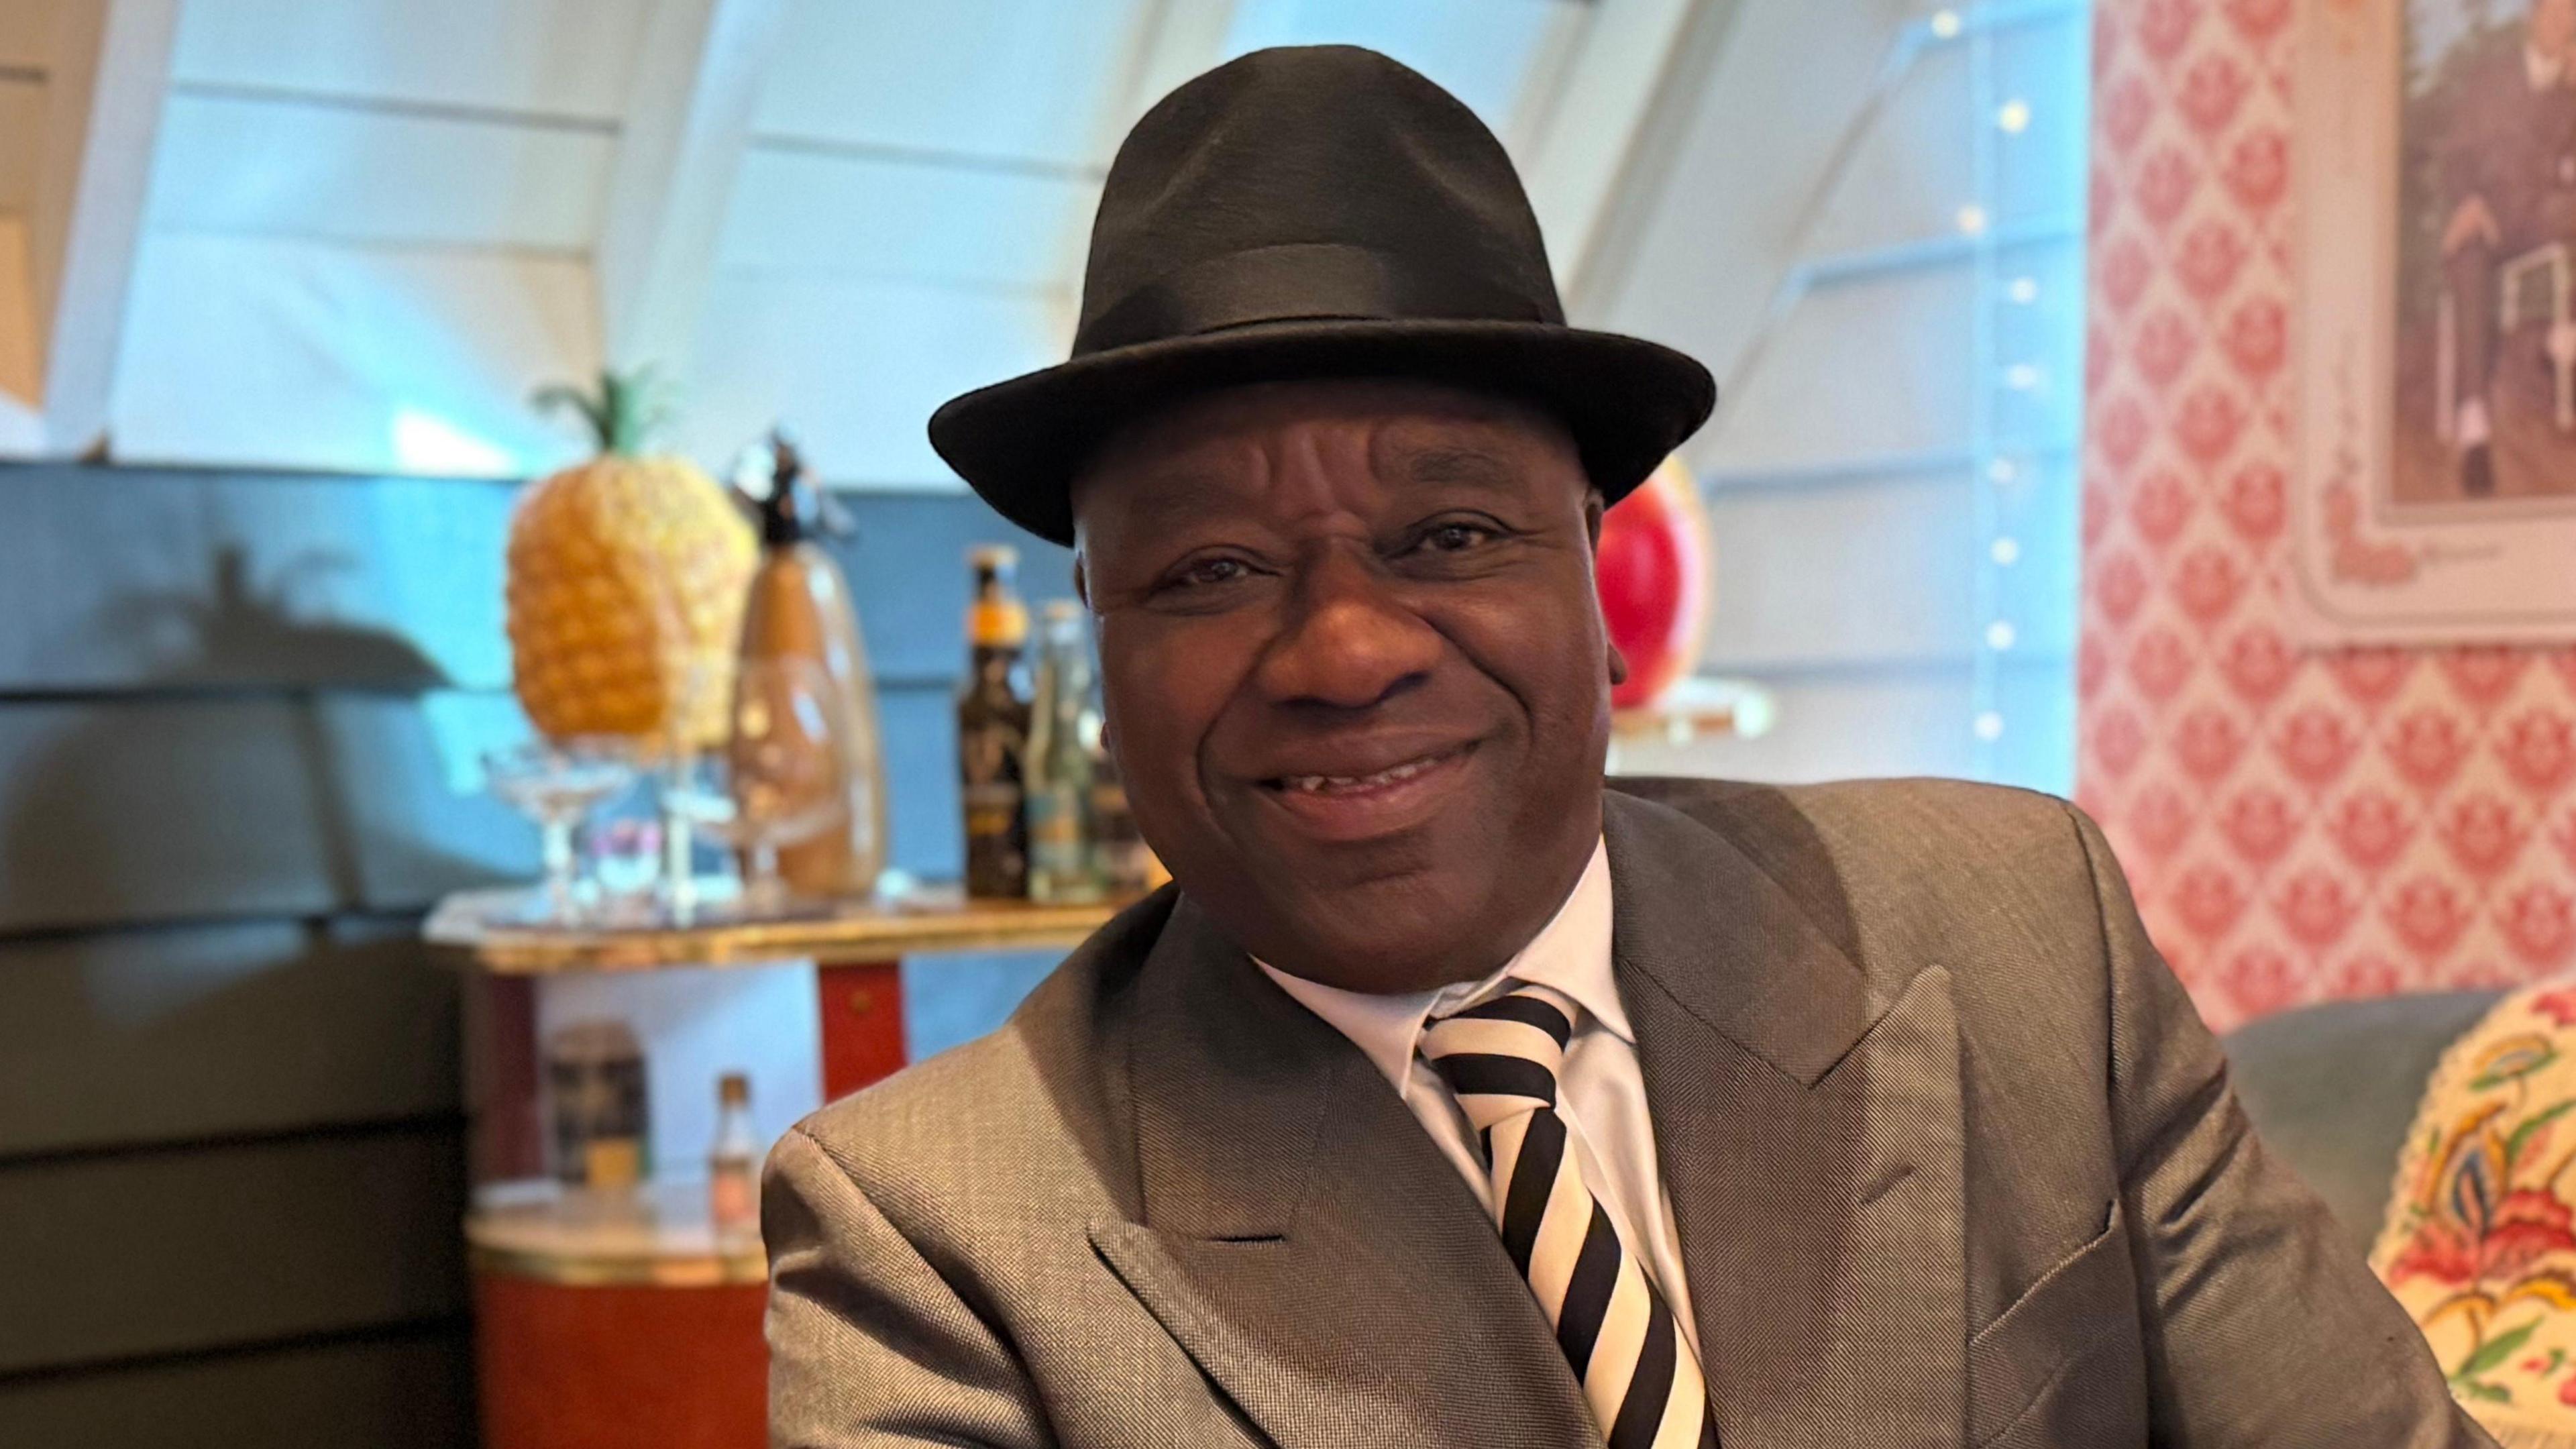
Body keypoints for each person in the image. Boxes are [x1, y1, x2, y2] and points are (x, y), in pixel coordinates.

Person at [765, 45, 2494, 1448]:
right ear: (1100, 641)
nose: (1346, 651)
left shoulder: (2016, 934)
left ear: (1596, 582)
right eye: (1211, 570)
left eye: (1450, 534)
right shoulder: (934, 1243)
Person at [2438, 0, 2576, 498]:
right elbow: (2455, 156)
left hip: (2542, 217)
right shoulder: (2491, 78)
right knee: (2469, 252)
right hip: (2488, 214)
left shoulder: (2570, 89)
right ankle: (2474, 427)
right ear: (2532, 17)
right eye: (2555, 14)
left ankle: (2566, 337)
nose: (2563, 26)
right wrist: (2470, 200)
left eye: (2572, 18)